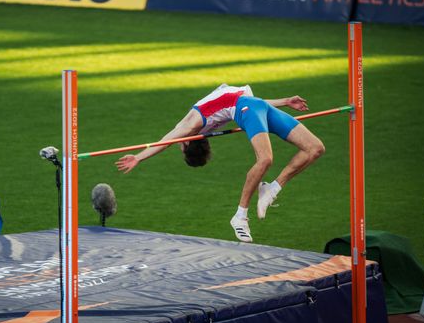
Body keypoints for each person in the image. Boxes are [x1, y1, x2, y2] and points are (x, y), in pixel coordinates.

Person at [116, 84, 325, 243]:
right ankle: (240, 216)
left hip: (255, 106)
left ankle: (271, 189)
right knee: (265, 159)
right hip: (250, 107)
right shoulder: (194, 127)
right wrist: (285, 101)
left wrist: (138, 157)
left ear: (186, 142)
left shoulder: (188, 125)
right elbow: (246, 102)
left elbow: (165, 141)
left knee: (315, 148)